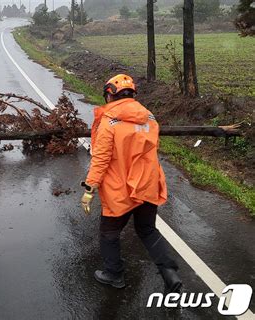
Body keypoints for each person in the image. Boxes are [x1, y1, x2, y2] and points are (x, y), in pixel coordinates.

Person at [80, 74, 182, 293]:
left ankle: (114, 274)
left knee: (109, 233)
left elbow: (101, 158)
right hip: (148, 185)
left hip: (121, 190)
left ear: (110, 94)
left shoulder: (109, 122)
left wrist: (90, 188)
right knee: (147, 230)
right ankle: (170, 273)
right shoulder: (150, 118)